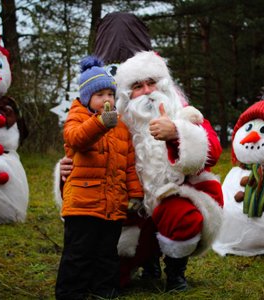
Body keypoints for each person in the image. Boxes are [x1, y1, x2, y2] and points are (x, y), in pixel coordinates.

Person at [113, 50, 224, 291]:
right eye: (137, 86)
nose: (146, 91)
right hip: (134, 211)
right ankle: (147, 262)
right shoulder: (120, 123)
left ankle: (175, 272)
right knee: (113, 278)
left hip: (177, 201)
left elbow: (214, 151)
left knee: (181, 215)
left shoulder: (185, 113)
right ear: (126, 94)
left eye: (151, 83)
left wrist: (176, 133)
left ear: (163, 85)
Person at [55, 56, 144, 299]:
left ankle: (104, 290)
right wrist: (100, 123)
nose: (107, 99)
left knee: (107, 252)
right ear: (87, 98)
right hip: (83, 202)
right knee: (79, 252)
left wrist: (135, 193)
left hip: (113, 203)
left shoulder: (121, 126)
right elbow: (76, 140)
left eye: (110, 94)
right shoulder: (78, 118)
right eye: (99, 95)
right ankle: (71, 292)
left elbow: (128, 163)